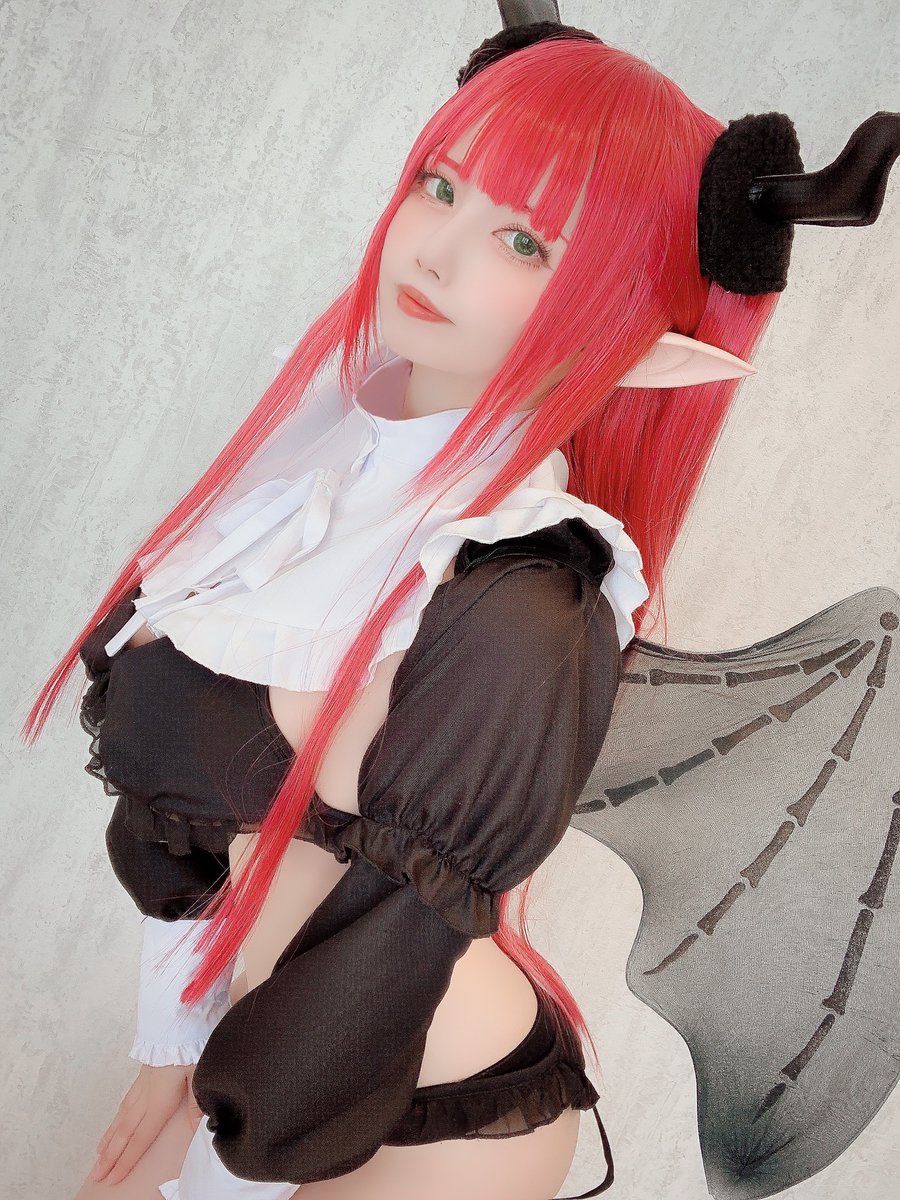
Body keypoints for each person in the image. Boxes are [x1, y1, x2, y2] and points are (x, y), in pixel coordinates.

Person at [25, 12, 898, 1200]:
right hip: (269, 1045)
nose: (435, 252)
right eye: (441, 185)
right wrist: (171, 1046)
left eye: (524, 241)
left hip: (409, 1102)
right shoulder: (311, 467)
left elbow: (397, 931)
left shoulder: (525, 593)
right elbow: (183, 817)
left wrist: (229, 1147)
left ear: (635, 330)